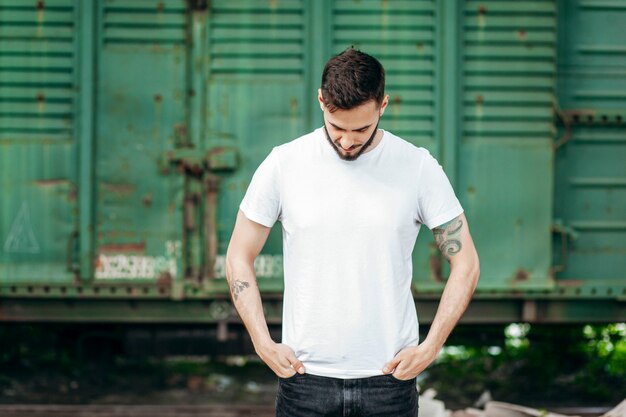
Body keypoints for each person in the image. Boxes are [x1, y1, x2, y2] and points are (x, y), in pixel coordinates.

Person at [225, 48, 480, 417]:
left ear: (383, 105)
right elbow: (238, 256)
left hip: (388, 383)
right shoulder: (284, 164)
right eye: (336, 127)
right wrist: (262, 342)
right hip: (305, 381)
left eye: (360, 129)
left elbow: (466, 262)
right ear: (321, 102)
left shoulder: (417, 167)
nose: (346, 141)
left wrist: (431, 347)